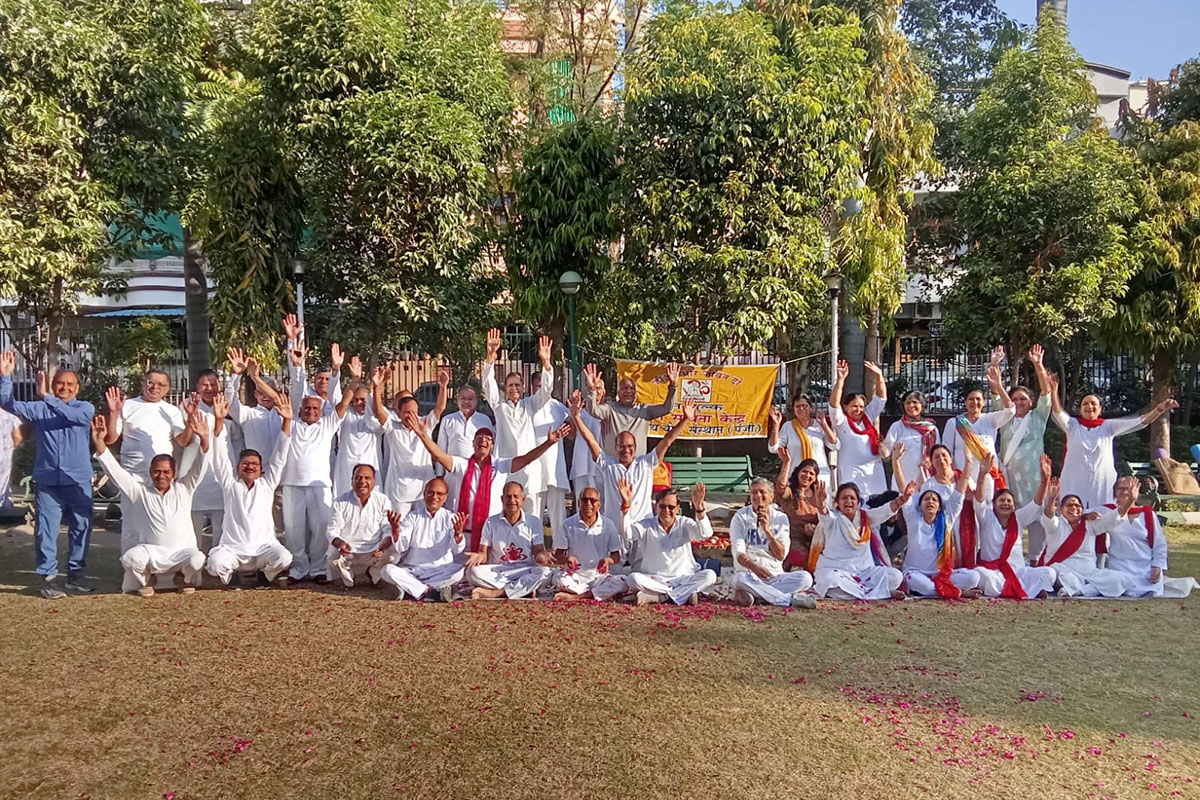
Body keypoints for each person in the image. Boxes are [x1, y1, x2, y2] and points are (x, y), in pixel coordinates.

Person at [407, 406, 571, 551]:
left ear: (492, 446)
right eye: (479, 438)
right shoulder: (461, 465)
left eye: (488, 439)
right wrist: (423, 435)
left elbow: (526, 458)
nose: (483, 441)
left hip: (490, 535)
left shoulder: (500, 466)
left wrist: (549, 443)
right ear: (473, 444)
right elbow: (439, 454)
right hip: (462, 534)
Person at [0, 352, 95, 598]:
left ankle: (76, 576)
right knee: (46, 532)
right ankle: (49, 579)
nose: (64, 388)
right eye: (59, 384)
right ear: (53, 386)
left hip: (78, 480)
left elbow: (74, 416)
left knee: (81, 529)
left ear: (77, 388)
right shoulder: (40, 408)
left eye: (69, 384)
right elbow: (8, 403)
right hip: (48, 481)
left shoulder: (84, 408)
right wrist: (5, 376)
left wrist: (46, 398)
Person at [91, 412, 208, 597]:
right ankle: (147, 580)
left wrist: (204, 438)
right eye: (156, 472)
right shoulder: (139, 491)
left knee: (198, 560)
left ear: (174, 473)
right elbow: (115, 473)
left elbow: (199, 467)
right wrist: (100, 444)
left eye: (166, 472)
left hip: (182, 552)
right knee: (130, 559)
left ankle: (183, 578)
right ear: (150, 472)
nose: (161, 476)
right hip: (152, 552)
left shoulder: (184, 489)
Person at [569, 390, 696, 548]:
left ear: (635, 448)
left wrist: (685, 420)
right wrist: (576, 417)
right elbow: (590, 440)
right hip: (614, 529)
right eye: (621, 447)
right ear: (615, 448)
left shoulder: (646, 463)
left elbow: (668, 440)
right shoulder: (608, 465)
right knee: (612, 570)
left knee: (643, 571)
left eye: (629, 446)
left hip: (642, 529)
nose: (625, 450)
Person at [207, 392, 294, 589]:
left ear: (261, 468)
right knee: (215, 564)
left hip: (263, 548)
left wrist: (287, 421)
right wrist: (219, 420)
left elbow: (280, 455)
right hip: (234, 549)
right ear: (238, 467)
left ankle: (265, 575)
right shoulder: (230, 484)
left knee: (284, 557)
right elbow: (219, 456)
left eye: (255, 464)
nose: (250, 467)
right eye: (245, 463)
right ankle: (233, 577)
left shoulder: (267, 484)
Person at [281, 347, 353, 581]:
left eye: (315, 408)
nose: (311, 411)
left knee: (320, 529)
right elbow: (296, 391)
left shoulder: (327, 425)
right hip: (292, 483)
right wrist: (298, 366)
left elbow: (342, 404)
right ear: (300, 410)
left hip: (320, 483)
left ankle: (319, 569)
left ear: (321, 411)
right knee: (293, 531)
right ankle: (298, 569)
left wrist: (342, 373)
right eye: (307, 408)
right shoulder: (291, 423)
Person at [105, 370, 190, 553]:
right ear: (144, 383)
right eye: (151, 382)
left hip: (162, 478)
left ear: (167, 389)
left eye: (161, 384)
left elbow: (183, 440)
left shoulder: (172, 411)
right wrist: (113, 413)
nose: (155, 387)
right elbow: (111, 439)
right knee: (131, 525)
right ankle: (132, 568)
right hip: (132, 476)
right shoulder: (127, 405)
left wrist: (191, 420)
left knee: (161, 523)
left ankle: (159, 566)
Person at [1051, 390, 1178, 511]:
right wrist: (1053, 391)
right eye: (1085, 403)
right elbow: (1057, 412)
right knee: (1072, 515)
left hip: (1101, 483)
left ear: (1100, 409)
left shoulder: (1108, 426)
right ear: (1080, 409)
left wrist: (1159, 409)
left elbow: (1141, 421)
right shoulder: (1072, 426)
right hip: (1074, 481)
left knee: (1101, 517)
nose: (1089, 406)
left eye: (1093, 403)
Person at [481, 328, 553, 516]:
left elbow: (546, 390)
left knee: (532, 516)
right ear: (505, 388)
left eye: (517, 385)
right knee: (500, 513)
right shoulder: (500, 406)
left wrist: (546, 362)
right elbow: (488, 385)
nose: (514, 388)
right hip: (506, 468)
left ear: (523, 389)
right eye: (510, 384)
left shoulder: (530, 405)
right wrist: (490, 356)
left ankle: (534, 546)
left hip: (530, 469)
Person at [993, 345, 1055, 562]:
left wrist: (1038, 364)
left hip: (1035, 478)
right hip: (1009, 479)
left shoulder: (1038, 418)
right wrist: (994, 365)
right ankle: (1011, 556)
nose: (1019, 403)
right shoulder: (1005, 418)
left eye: (1023, 399)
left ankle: (1037, 559)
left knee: (1038, 518)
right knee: (1008, 518)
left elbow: (1046, 394)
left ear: (1031, 402)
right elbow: (995, 393)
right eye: (1015, 399)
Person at [970, 453, 1056, 599]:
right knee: (979, 574)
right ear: (994, 505)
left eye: (1009, 501)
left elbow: (1037, 504)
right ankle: (1031, 590)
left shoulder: (1018, 518)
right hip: (994, 572)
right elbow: (979, 500)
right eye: (1001, 500)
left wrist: (1045, 480)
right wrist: (982, 475)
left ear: (1014, 506)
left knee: (1050, 573)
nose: (1005, 503)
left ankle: (1021, 588)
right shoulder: (986, 517)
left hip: (1018, 573)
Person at [810, 482, 909, 601]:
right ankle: (883, 593)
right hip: (836, 570)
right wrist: (821, 505)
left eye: (852, 498)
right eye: (844, 498)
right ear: (838, 502)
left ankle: (864, 592)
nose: (848, 501)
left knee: (896, 576)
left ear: (858, 502)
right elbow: (823, 514)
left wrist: (901, 500)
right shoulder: (832, 519)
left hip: (865, 572)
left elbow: (883, 512)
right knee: (830, 582)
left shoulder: (865, 517)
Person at [1038, 477, 1133, 598]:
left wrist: (1130, 501)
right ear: (1061, 510)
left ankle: (1080, 591)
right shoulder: (1056, 525)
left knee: (1123, 579)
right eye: (1069, 505)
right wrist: (1051, 499)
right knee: (1058, 574)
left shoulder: (1090, 525)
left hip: (1089, 574)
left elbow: (1112, 520)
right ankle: (1085, 588)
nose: (1074, 508)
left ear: (1082, 510)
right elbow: (1048, 517)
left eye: (1078, 506)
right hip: (1063, 571)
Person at [728, 478, 817, 608]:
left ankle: (758, 595)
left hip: (774, 576)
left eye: (762, 492)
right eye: (754, 492)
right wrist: (755, 568)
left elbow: (781, 555)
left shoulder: (781, 518)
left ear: (771, 496)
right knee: (739, 579)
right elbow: (738, 552)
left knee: (806, 578)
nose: (758, 496)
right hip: (749, 574)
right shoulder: (740, 517)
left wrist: (767, 530)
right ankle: (787, 600)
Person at [1103, 476, 1197, 598]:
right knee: (1116, 584)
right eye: (1120, 489)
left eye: (1128, 489)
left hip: (1144, 568)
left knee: (1144, 588)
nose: (1124, 492)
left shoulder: (1147, 514)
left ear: (1136, 491)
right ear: (1114, 492)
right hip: (1119, 567)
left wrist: (1157, 567)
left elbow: (1160, 544)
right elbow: (1081, 514)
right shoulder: (1108, 512)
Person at [371, 366, 448, 515]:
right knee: (399, 532)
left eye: (414, 412)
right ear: (398, 413)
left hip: (423, 491)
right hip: (399, 494)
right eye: (406, 412)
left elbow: (440, 408)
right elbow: (379, 410)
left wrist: (443, 387)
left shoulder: (425, 424)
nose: (411, 416)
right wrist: (376, 388)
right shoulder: (392, 428)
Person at [380, 477, 468, 602]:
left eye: (439, 494)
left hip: (441, 570)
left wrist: (458, 535)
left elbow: (457, 550)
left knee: (459, 571)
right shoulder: (412, 517)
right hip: (414, 570)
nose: (434, 497)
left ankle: (411, 589)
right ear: (424, 494)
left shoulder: (450, 517)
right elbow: (401, 547)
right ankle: (430, 591)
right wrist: (395, 531)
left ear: (445, 497)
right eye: (430, 493)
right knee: (387, 570)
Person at [627, 486, 717, 606]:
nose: (667, 510)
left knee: (710, 575)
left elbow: (705, 534)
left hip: (683, 578)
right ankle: (683, 594)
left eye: (671, 507)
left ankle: (661, 597)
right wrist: (625, 509)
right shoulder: (647, 525)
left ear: (678, 508)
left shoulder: (684, 523)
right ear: (656, 507)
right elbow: (627, 533)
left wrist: (699, 508)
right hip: (655, 579)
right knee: (633, 578)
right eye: (662, 506)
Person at [900, 467, 982, 599]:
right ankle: (958, 592)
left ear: (939, 507)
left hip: (941, 575)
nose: (930, 501)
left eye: (934, 499)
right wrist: (896, 463)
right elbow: (903, 492)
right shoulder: (913, 519)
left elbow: (959, 494)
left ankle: (938, 589)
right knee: (924, 586)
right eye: (926, 499)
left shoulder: (947, 520)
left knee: (974, 577)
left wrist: (968, 463)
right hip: (916, 572)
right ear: (920, 506)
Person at [466, 481, 555, 600]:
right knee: (472, 573)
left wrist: (542, 556)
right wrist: (479, 556)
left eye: (516, 496)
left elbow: (537, 552)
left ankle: (497, 593)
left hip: (524, 570)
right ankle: (522, 589)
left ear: (523, 499)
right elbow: (483, 552)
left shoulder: (533, 522)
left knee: (546, 573)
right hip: (499, 571)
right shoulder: (491, 522)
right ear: (502, 499)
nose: (512, 500)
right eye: (508, 496)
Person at [326, 464, 402, 589]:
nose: (362, 482)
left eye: (367, 478)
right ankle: (348, 579)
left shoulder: (382, 500)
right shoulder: (340, 501)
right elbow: (332, 530)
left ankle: (374, 574)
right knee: (332, 555)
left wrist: (383, 546)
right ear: (352, 481)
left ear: (374, 481)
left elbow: (387, 530)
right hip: (349, 551)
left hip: (374, 550)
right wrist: (340, 544)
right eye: (358, 478)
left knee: (394, 554)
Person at [583, 361, 680, 456]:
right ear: (618, 393)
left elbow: (667, 408)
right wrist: (591, 390)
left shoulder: (644, 410)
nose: (628, 391)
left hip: (637, 466)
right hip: (614, 466)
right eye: (624, 388)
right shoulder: (610, 409)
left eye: (631, 388)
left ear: (636, 394)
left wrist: (673, 386)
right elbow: (593, 410)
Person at [179, 368, 229, 551]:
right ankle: (193, 566)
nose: (209, 388)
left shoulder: (226, 405)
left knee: (221, 528)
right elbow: (183, 440)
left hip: (220, 471)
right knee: (191, 528)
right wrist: (191, 415)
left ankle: (217, 564)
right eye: (204, 384)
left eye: (213, 384)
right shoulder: (187, 405)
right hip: (194, 469)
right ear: (197, 387)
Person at [552, 486, 628, 602]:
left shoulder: (608, 524)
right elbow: (558, 556)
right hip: (574, 576)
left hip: (598, 577)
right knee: (558, 578)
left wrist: (608, 560)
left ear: (599, 504)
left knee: (623, 581)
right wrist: (568, 559)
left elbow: (616, 556)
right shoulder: (567, 524)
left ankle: (576, 596)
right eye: (584, 500)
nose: (588, 504)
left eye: (593, 500)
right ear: (578, 503)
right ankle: (595, 593)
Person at [827, 359, 888, 498]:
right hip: (851, 476)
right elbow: (833, 404)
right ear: (845, 407)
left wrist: (879, 375)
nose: (859, 409)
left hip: (874, 475)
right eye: (854, 406)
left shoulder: (868, 418)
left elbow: (881, 398)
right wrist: (841, 380)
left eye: (861, 406)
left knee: (878, 509)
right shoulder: (841, 421)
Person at [331, 356, 384, 498]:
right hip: (346, 469)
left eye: (363, 400)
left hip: (371, 467)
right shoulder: (346, 414)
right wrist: (336, 370)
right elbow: (335, 398)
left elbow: (374, 423)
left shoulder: (377, 417)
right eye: (356, 400)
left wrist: (375, 387)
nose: (359, 403)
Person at [529, 369, 571, 542]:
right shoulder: (527, 405)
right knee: (533, 511)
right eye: (537, 387)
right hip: (533, 467)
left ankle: (560, 548)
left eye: (543, 386)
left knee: (558, 511)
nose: (540, 390)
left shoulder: (558, 407)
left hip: (554, 467)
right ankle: (534, 547)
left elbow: (572, 422)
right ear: (531, 388)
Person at [224, 349, 284, 462]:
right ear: (255, 394)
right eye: (261, 392)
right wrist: (236, 375)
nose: (265, 396)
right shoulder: (248, 414)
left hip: (284, 473)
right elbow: (230, 402)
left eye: (269, 391)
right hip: (257, 472)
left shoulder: (286, 415)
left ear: (277, 391)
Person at [767, 392, 837, 486]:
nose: (801, 409)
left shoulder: (819, 425)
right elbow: (773, 448)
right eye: (798, 406)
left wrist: (824, 425)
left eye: (805, 406)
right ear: (794, 409)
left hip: (819, 476)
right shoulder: (788, 427)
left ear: (810, 408)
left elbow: (834, 445)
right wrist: (776, 425)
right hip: (796, 477)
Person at [436, 383, 490, 499]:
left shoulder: (484, 420)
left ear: (476, 401)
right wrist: (440, 475)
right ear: (457, 400)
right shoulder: (448, 420)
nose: (466, 402)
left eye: (470, 399)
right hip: (453, 472)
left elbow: (491, 447)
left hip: (477, 472)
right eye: (463, 398)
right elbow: (441, 448)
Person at [283, 314, 342, 414]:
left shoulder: (336, 401)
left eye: (327, 379)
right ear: (314, 379)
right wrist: (292, 340)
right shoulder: (306, 394)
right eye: (320, 378)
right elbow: (297, 378)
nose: (323, 382)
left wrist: (336, 368)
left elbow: (335, 389)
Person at [882, 391, 939, 494]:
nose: (911, 406)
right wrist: (881, 446)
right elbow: (886, 452)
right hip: (901, 478)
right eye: (907, 403)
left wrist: (929, 459)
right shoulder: (897, 426)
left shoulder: (932, 429)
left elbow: (937, 453)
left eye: (914, 402)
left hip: (926, 478)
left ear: (922, 405)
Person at [774, 450, 822, 572]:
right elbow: (780, 488)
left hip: (815, 539)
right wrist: (786, 463)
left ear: (815, 478)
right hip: (793, 538)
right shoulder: (790, 492)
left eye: (811, 473)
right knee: (802, 556)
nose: (807, 475)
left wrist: (815, 528)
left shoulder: (818, 495)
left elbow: (825, 518)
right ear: (798, 473)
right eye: (804, 471)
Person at [0, 404, 21, 508]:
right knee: (4, 481)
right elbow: (18, 437)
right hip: (5, 455)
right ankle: (5, 506)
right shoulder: (10, 415)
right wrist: (10, 449)